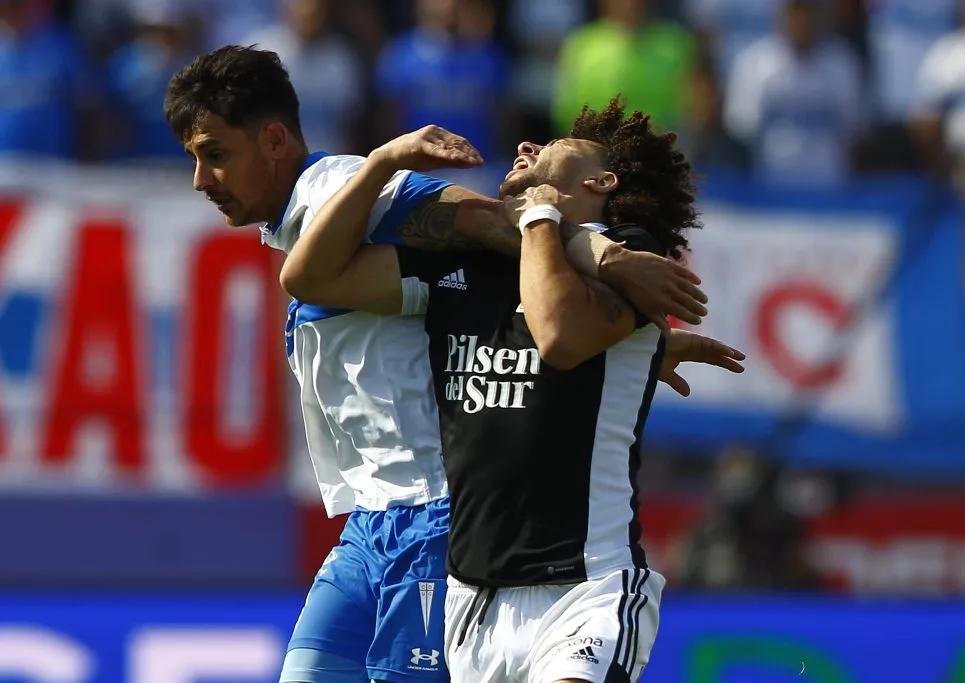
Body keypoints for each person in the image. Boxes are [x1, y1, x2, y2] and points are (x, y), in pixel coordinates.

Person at [163, 46, 714, 683]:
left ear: (275, 138)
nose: (202, 180)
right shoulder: (315, 221)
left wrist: (606, 256)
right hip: (373, 526)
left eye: (215, 154)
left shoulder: (337, 186)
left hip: (433, 516)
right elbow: (500, 299)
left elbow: (487, 220)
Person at [280, 98, 745, 683]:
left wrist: (542, 218)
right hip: (473, 598)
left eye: (548, 147)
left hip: (585, 587)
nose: (526, 148)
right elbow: (308, 277)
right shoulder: (468, 262)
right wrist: (383, 162)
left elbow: (557, 336)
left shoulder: (633, 257)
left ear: (602, 180)